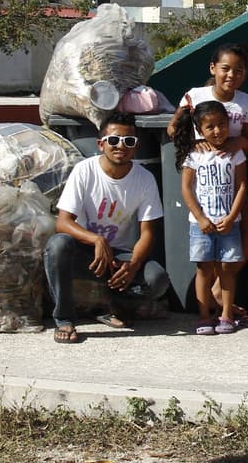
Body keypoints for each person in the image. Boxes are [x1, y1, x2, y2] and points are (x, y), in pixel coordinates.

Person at [44, 112, 170, 344]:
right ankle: (64, 318)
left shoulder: (144, 179)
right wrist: (96, 240)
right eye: (113, 140)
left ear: (136, 146)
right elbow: (62, 223)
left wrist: (133, 266)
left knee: (157, 279)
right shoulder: (85, 170)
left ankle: (112, 305)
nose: (120, 146)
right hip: (83, 253)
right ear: (101, 144)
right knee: (58, 244)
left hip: (117, 258)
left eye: (128, 141)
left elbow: (148, 233)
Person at [174, 101, 248, 335]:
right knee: (204, 269)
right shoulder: (194, 155)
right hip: (201, 224)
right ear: (200, 130)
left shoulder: (235, 154)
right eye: (211, 127)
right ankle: (204, 315)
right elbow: (186, 188)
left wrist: (233, 216)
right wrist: (200, 217)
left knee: (226, 268)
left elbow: (242, 185)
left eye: (222, 125)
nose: (218, 131)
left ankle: (226, 314)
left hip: (229, 223)